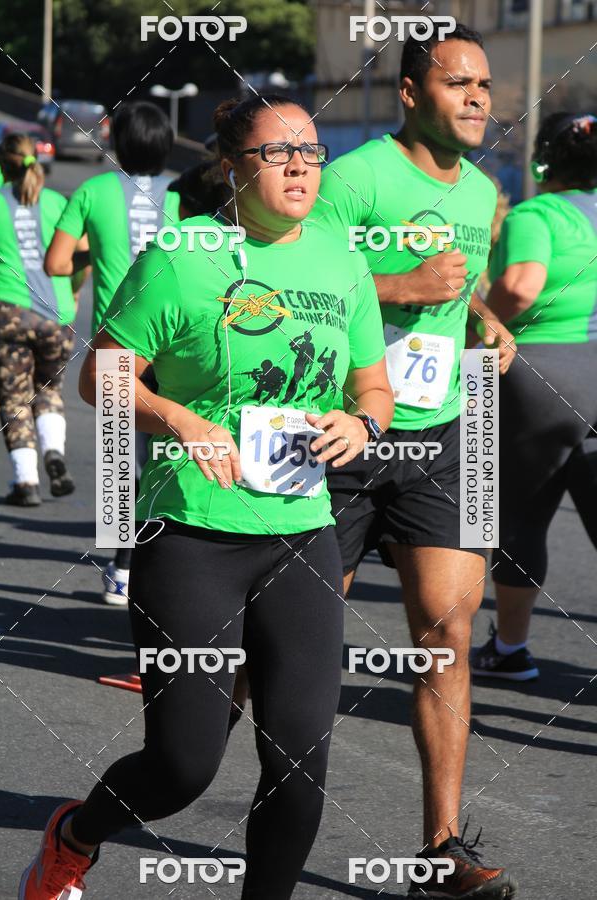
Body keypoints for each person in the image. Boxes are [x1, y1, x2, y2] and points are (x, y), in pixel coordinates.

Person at [19, 93, 394, 900]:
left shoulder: (342, 258)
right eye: (277, 152)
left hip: (302, 533)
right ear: (233, 166)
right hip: (191, 534)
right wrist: (179, 417)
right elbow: (100, 374)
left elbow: (373, 380)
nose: (299, 166)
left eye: (311, 152)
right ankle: (75, 834)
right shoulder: (182, 256)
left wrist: (362, 422)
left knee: (299, 759)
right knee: (183, 765)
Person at [313, 24, 518, 899]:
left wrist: (480, 318)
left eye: (484, 84)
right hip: (340, 432)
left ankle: (440, 850)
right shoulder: (354, 177)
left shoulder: (482, 191)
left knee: (447, 634)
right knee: (300, 639)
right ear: (408, 93)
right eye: (456, 83)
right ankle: (204, 750)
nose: (477, 97)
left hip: (441, 433)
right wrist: (396, 289)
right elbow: (297, 282)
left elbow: (459, 280)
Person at [471, 113, 597, 681]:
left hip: (537, 375)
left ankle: (511, 648)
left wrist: (483, 324)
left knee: (518, 518)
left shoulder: (536, 213)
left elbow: (521, 285)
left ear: (543, 162)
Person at [44, 100, 180, 605]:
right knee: (172, 455)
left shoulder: (93, 189)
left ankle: (122, 570)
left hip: (120, 346)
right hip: (178, 342)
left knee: (120, 461)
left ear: (117, 143)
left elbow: (57, 263)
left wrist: (97, 250)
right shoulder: (183, 192)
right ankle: (172, 568)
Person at [0, 134, 83, 506]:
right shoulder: (56, 202)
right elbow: (80, 254)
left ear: (3, 163)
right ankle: (54, 451)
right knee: (48, 391)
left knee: (15, 397)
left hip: (10, 314)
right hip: (57, 314)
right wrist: (75, 291)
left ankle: (26, 481)